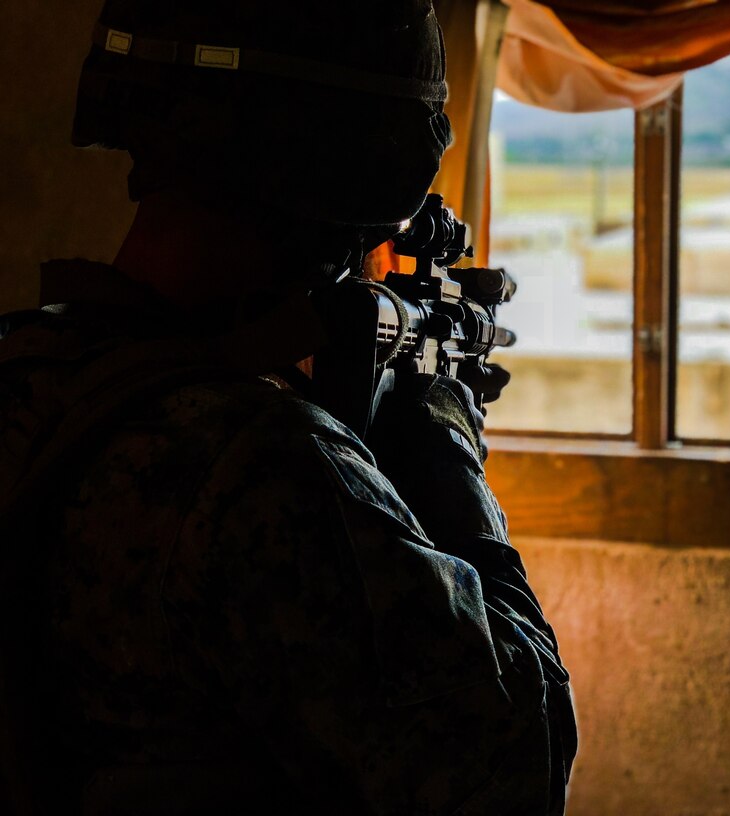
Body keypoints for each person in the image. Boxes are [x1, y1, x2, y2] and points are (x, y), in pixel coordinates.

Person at [0, 1, 576, 813]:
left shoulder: (28, 367)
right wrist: (445, 442)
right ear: (362, 166)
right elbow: (520, 765)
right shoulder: (265, 469)